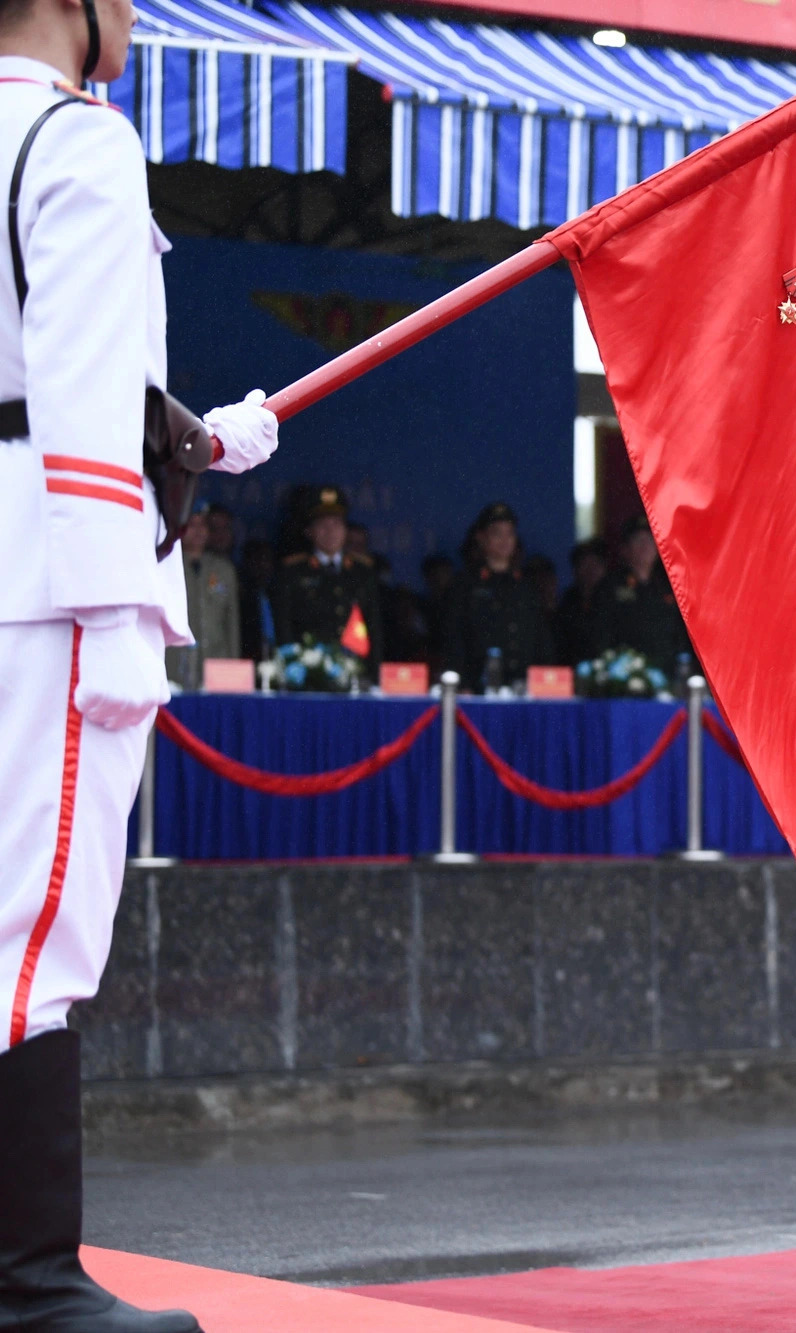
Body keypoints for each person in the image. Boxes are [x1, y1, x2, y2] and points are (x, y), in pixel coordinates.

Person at [0, 0, 279, 1323]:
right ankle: (29, 1280)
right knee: (30, 931)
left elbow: (62, 371)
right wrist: (120, 617)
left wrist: (205, 439)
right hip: (49, 580)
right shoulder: (77, 138)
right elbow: (70, 387)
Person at [441, 502, 554, 693]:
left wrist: (546, 680)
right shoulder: (465, 584)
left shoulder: (526, 585)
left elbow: (541, 638)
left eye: (510, 533)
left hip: (523, 687)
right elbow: (454, 638)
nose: (505, 540)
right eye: (497, 533)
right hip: (478, 687)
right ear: (481, 537)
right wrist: (462, 684)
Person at [269, 488, 381, 678]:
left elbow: (374, 630)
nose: (330, 532)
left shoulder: (363, 573)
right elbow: (284, 629)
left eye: (336, 524)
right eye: (322, 525)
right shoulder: (292, 573)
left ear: (345, 530)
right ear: (309, 532)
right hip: (309, 675)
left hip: (354, 672)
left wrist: (373, 675)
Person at [591, 514, 692, 672]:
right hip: (624, 679)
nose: (646, 546)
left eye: (650, 540)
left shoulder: (669, 587)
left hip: (667, 678)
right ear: (625, 549)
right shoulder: (610, 587)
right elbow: (600, 637)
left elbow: (680, 638)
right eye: (639, 540)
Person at [166, 507, 238, 690]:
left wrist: (233, 664)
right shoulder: (166, 565)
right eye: (191, 525)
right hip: (174, 664)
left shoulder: (223, 569)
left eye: (203, 525)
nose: (198, 531)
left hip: (216, 663)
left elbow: (232, 623)